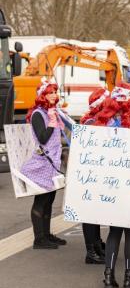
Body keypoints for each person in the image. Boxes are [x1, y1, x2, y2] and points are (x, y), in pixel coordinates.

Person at [95, 82, 130, 288]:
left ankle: (108, 278)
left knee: (114, 231)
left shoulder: (103, 123)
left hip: (110, 184)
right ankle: (128, 280)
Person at [21, 78, 67, 249]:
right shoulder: (38, 114)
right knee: (41, 199)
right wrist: (52, 122)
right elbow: (42, 138)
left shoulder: (50, 112)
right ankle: (39, 239)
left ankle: (47, 235)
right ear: (43, 96)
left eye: (55, 92)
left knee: (50, 199)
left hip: (52, 163)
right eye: (51, 93)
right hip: (42, 163)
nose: (54, 95)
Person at [80, 88, 109, 264]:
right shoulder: (91, 123)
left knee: (96, 213)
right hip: (90, 175)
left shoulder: (100, 121)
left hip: (98, 175)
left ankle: (97, 245)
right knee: (89, 214)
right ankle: (90, 252)